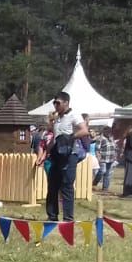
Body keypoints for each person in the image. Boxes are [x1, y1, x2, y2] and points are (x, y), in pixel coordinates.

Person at [36, 91, 88, 221]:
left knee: (66, 186)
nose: (55, 105)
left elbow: (84, 130)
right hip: (56, 153)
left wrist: (70, 137)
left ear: (66, 102)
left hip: (70, 155)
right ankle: (52, 216)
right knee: (52, 185)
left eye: (58, 103)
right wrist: (45, 154)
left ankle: (68, 219)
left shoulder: (74, 115)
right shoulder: (57, 119)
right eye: (54, 103)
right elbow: (54, 139)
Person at [91, 126, 118, 192]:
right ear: (104, 131)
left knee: (108, 173)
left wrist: (115, 156)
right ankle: (94, 183)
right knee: (102, 171)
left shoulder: (111, 138)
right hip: (103, 158)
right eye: (108, 131)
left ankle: (105, 188)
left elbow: (115, 147)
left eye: (110, 131)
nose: (109, 132)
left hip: (111, 159)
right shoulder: (100, 138)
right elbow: (97, 149)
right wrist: (98, 157)